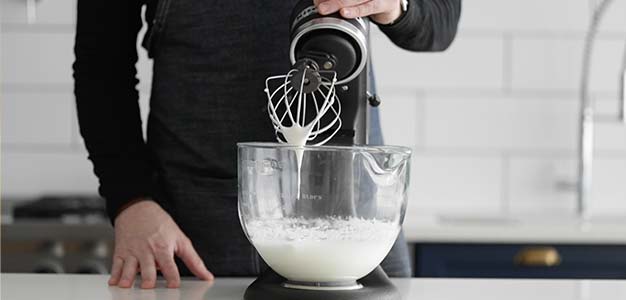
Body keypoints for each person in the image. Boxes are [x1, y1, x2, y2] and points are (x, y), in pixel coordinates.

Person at [73, 0, 461, 289]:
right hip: (195, 232)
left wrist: (398, 5)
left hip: (357, 227)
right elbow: (100, 67)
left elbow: (442, 20)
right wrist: (131, 199)